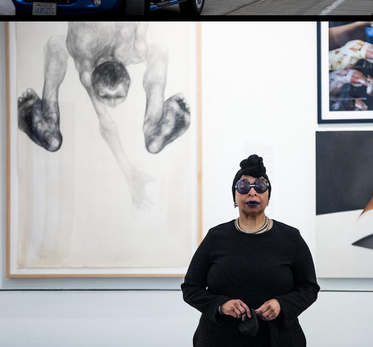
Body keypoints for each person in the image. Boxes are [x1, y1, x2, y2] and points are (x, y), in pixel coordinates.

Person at [17, 23, 191, 209]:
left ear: (129, 82)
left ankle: (46, 120)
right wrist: (129, 173)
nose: (113, 104)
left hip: (95, 33)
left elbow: (108, 125)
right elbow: (108, 126)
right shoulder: (90, 69)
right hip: (87, 37)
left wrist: (130, 173)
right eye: (107, 97)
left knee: (158, 51)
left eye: (117, 97)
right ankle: (152, 124)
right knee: (56, 45)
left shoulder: (134, 50)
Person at [182, 155, 319, 347]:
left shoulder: (290, 238)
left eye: (260, 186)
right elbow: (190, 289)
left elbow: (309, 288)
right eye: (244, 187)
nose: (252, 192)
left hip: (277, 339)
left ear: (268, 196)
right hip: (219, 339)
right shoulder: (216, 237)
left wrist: (282, 304)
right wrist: (220, 305)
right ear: (235, 196)